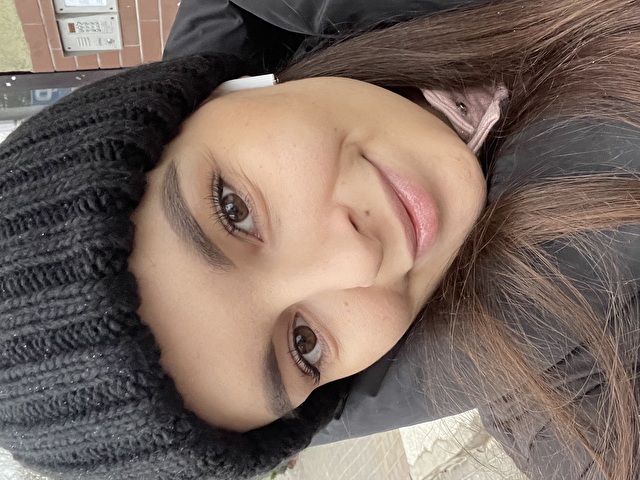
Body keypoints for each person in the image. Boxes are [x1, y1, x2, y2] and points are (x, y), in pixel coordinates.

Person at [1, 1, 639, 479]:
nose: (354, 261)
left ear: (207, 97)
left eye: (233, 210)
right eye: (303, 345)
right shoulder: (567, 368)